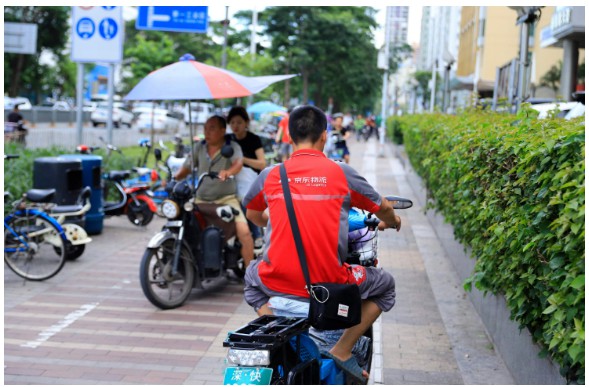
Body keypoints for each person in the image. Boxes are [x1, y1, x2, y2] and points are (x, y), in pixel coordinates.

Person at [242, 105, 401, 383]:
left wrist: (273, 219)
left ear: (289, 137)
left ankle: (274, 331)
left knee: (250, 280)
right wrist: (394, 220)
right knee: (385, 285)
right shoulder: (341, 173)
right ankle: (341, 350)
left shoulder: (271, 175)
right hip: (327, 286)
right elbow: (382, 207)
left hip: (274, 280)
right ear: (324, 136)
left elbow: (253, 213)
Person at [174, 115, 254, 268]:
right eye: (205, 129)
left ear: (223, 130)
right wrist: (174, 178)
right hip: (200, 200)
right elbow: (186, 168)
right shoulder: (199, 147)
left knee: (244, 233)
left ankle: (251, 275)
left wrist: (228, 172)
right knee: (183, 225)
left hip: (226, 199)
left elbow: (238, 164)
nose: (207, 132)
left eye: (212, 128)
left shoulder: (233, 146)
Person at [227, 106, 266, 249]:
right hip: (231, 177)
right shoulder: (228, 139)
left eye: (239, 122)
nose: (235, 126)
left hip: (250, 179)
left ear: (246, 123)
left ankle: (257, 235)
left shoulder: (253, 139)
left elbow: (262, 163)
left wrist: (242, 160)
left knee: (244, 201)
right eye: (232, 123)